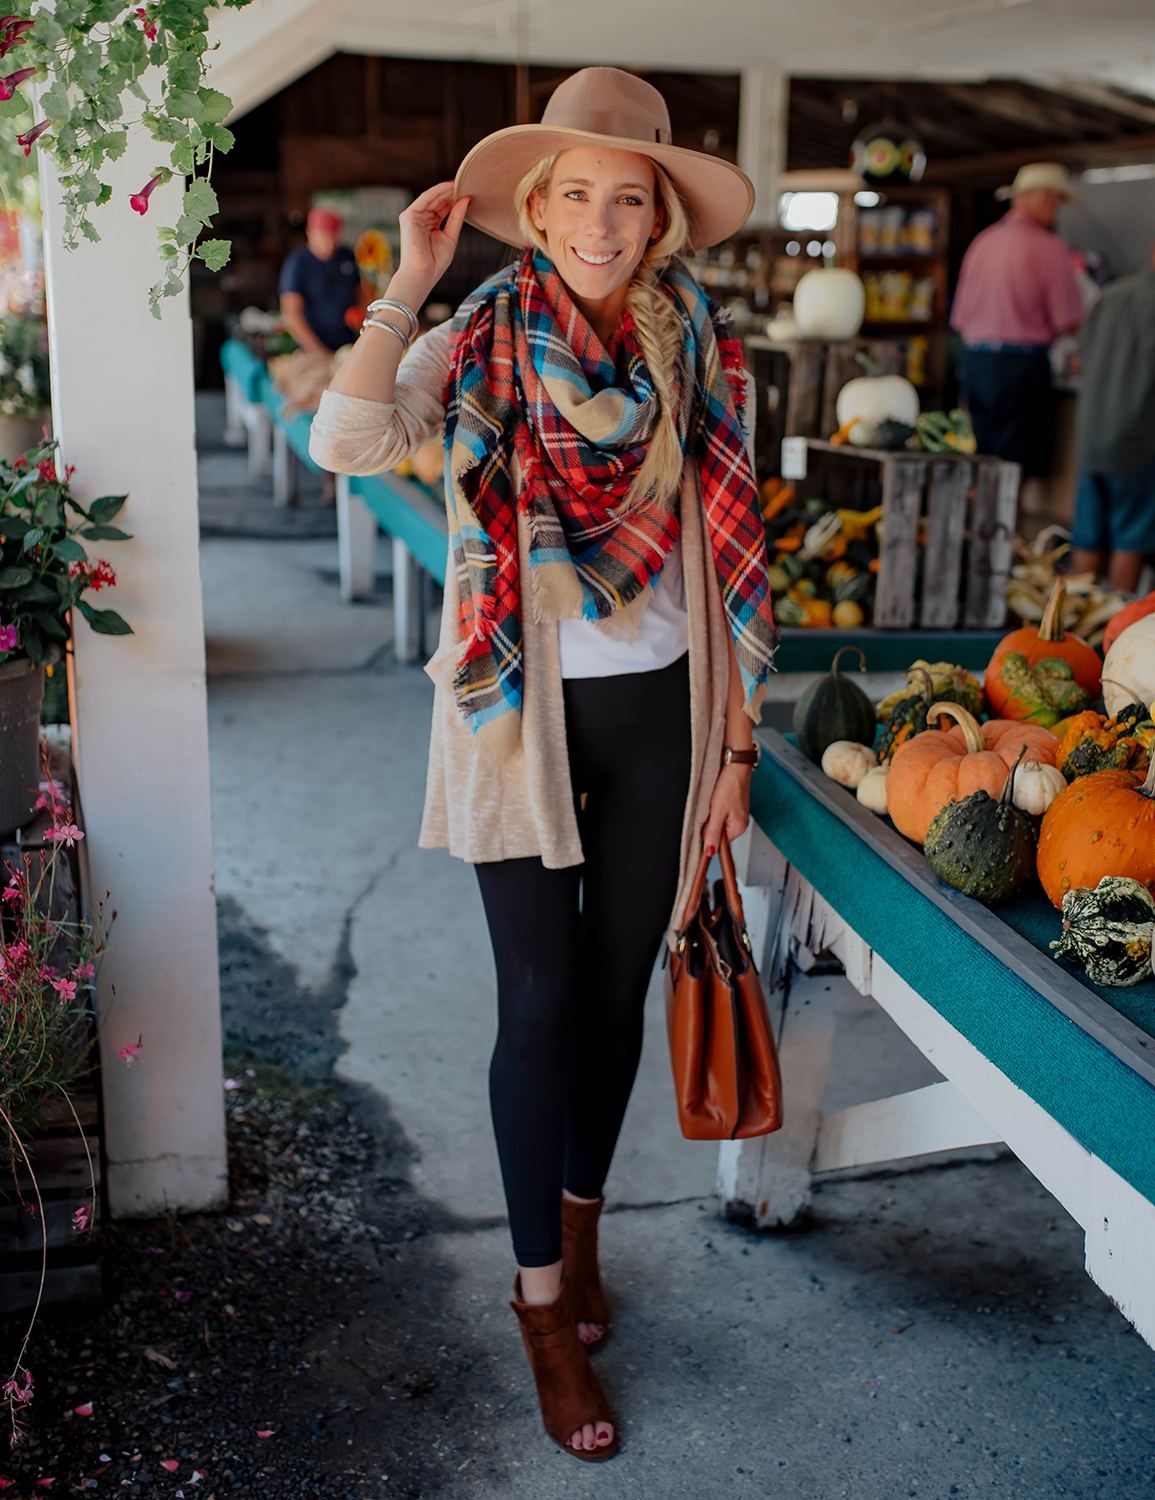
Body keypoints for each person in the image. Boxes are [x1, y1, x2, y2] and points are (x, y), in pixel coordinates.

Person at [308, 68, 773, 1462]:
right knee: (537, 1005)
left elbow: (743, 562)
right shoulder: (476, 339)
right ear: (538, 206)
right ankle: (534, 1308)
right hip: (520, 722)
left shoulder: (704, 349)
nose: (600, 219)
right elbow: (344, 438)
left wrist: (738, 740)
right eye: (576, 193)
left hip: (668, 716)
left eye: (628, 198)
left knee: (618, 999)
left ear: (658, 220)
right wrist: (410, 279)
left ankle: (578, 1249)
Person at [1071, 218, 1155, 592]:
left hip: (1092, 438)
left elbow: (1078, 361)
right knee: (1131, 536)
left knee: (1088, 535)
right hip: (1140, 443)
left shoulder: (1109, 294)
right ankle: (1114, 628)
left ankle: (1077, 621)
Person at [950, 162, 1085, 476]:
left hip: (975, 363)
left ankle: (976, 522)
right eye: (1057, 203)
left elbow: (959, 319)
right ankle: (1006, 526)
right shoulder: (1050, 248)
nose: (1057, 211)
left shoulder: (982, 242)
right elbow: (1069, 321)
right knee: (1013, 467)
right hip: (1020, 369)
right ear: (1046, 199)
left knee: (979, 458)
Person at [278, 207, 362, 357]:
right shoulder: (297, 264)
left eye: (333, 237)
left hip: (349, 346)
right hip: (313, 351)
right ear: (310, 234)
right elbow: (291, 314)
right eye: (323, 236)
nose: (329, 243)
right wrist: (319, 351)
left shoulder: (347, 256)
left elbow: (360, 293)